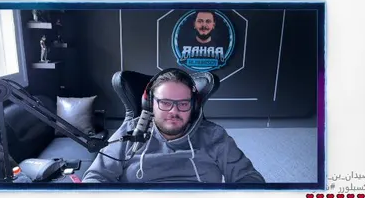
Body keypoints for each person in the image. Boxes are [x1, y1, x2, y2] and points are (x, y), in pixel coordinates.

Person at [82, 68, 264, 183]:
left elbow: (249, 177)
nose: (173, 111)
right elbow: (96, 177)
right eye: (165, 102)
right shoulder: (131, 132)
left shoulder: (214, 136)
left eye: (183, 103)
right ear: (150, 104)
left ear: (194, 107)